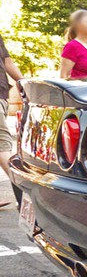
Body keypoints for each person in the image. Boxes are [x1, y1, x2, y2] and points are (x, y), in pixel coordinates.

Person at [0, 33, 24, 210]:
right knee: (2, 143)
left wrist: (23, 82)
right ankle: (23, 191)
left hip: (2, 94)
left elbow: (7, 61)